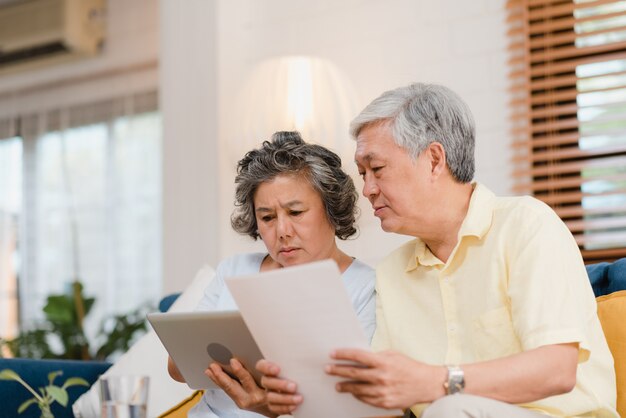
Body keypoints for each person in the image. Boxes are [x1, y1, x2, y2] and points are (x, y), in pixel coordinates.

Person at [258, 83, 618, 417]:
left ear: (434, 160)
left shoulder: (526, 225)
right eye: (362, 173)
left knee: (448, 410)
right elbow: (384, 401)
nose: (367, 189)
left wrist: (436, 382)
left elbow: (557, 369)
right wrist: (287, 403)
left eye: (377, 169)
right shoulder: (393, 272)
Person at [166, 131, 376, 418]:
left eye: (296, 212)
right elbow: (178, 368)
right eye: (266, 217)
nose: (282, 232)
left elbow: (354, 405)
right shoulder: (234, 270)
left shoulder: (366, 286)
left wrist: (271, 408)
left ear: (332, 209)